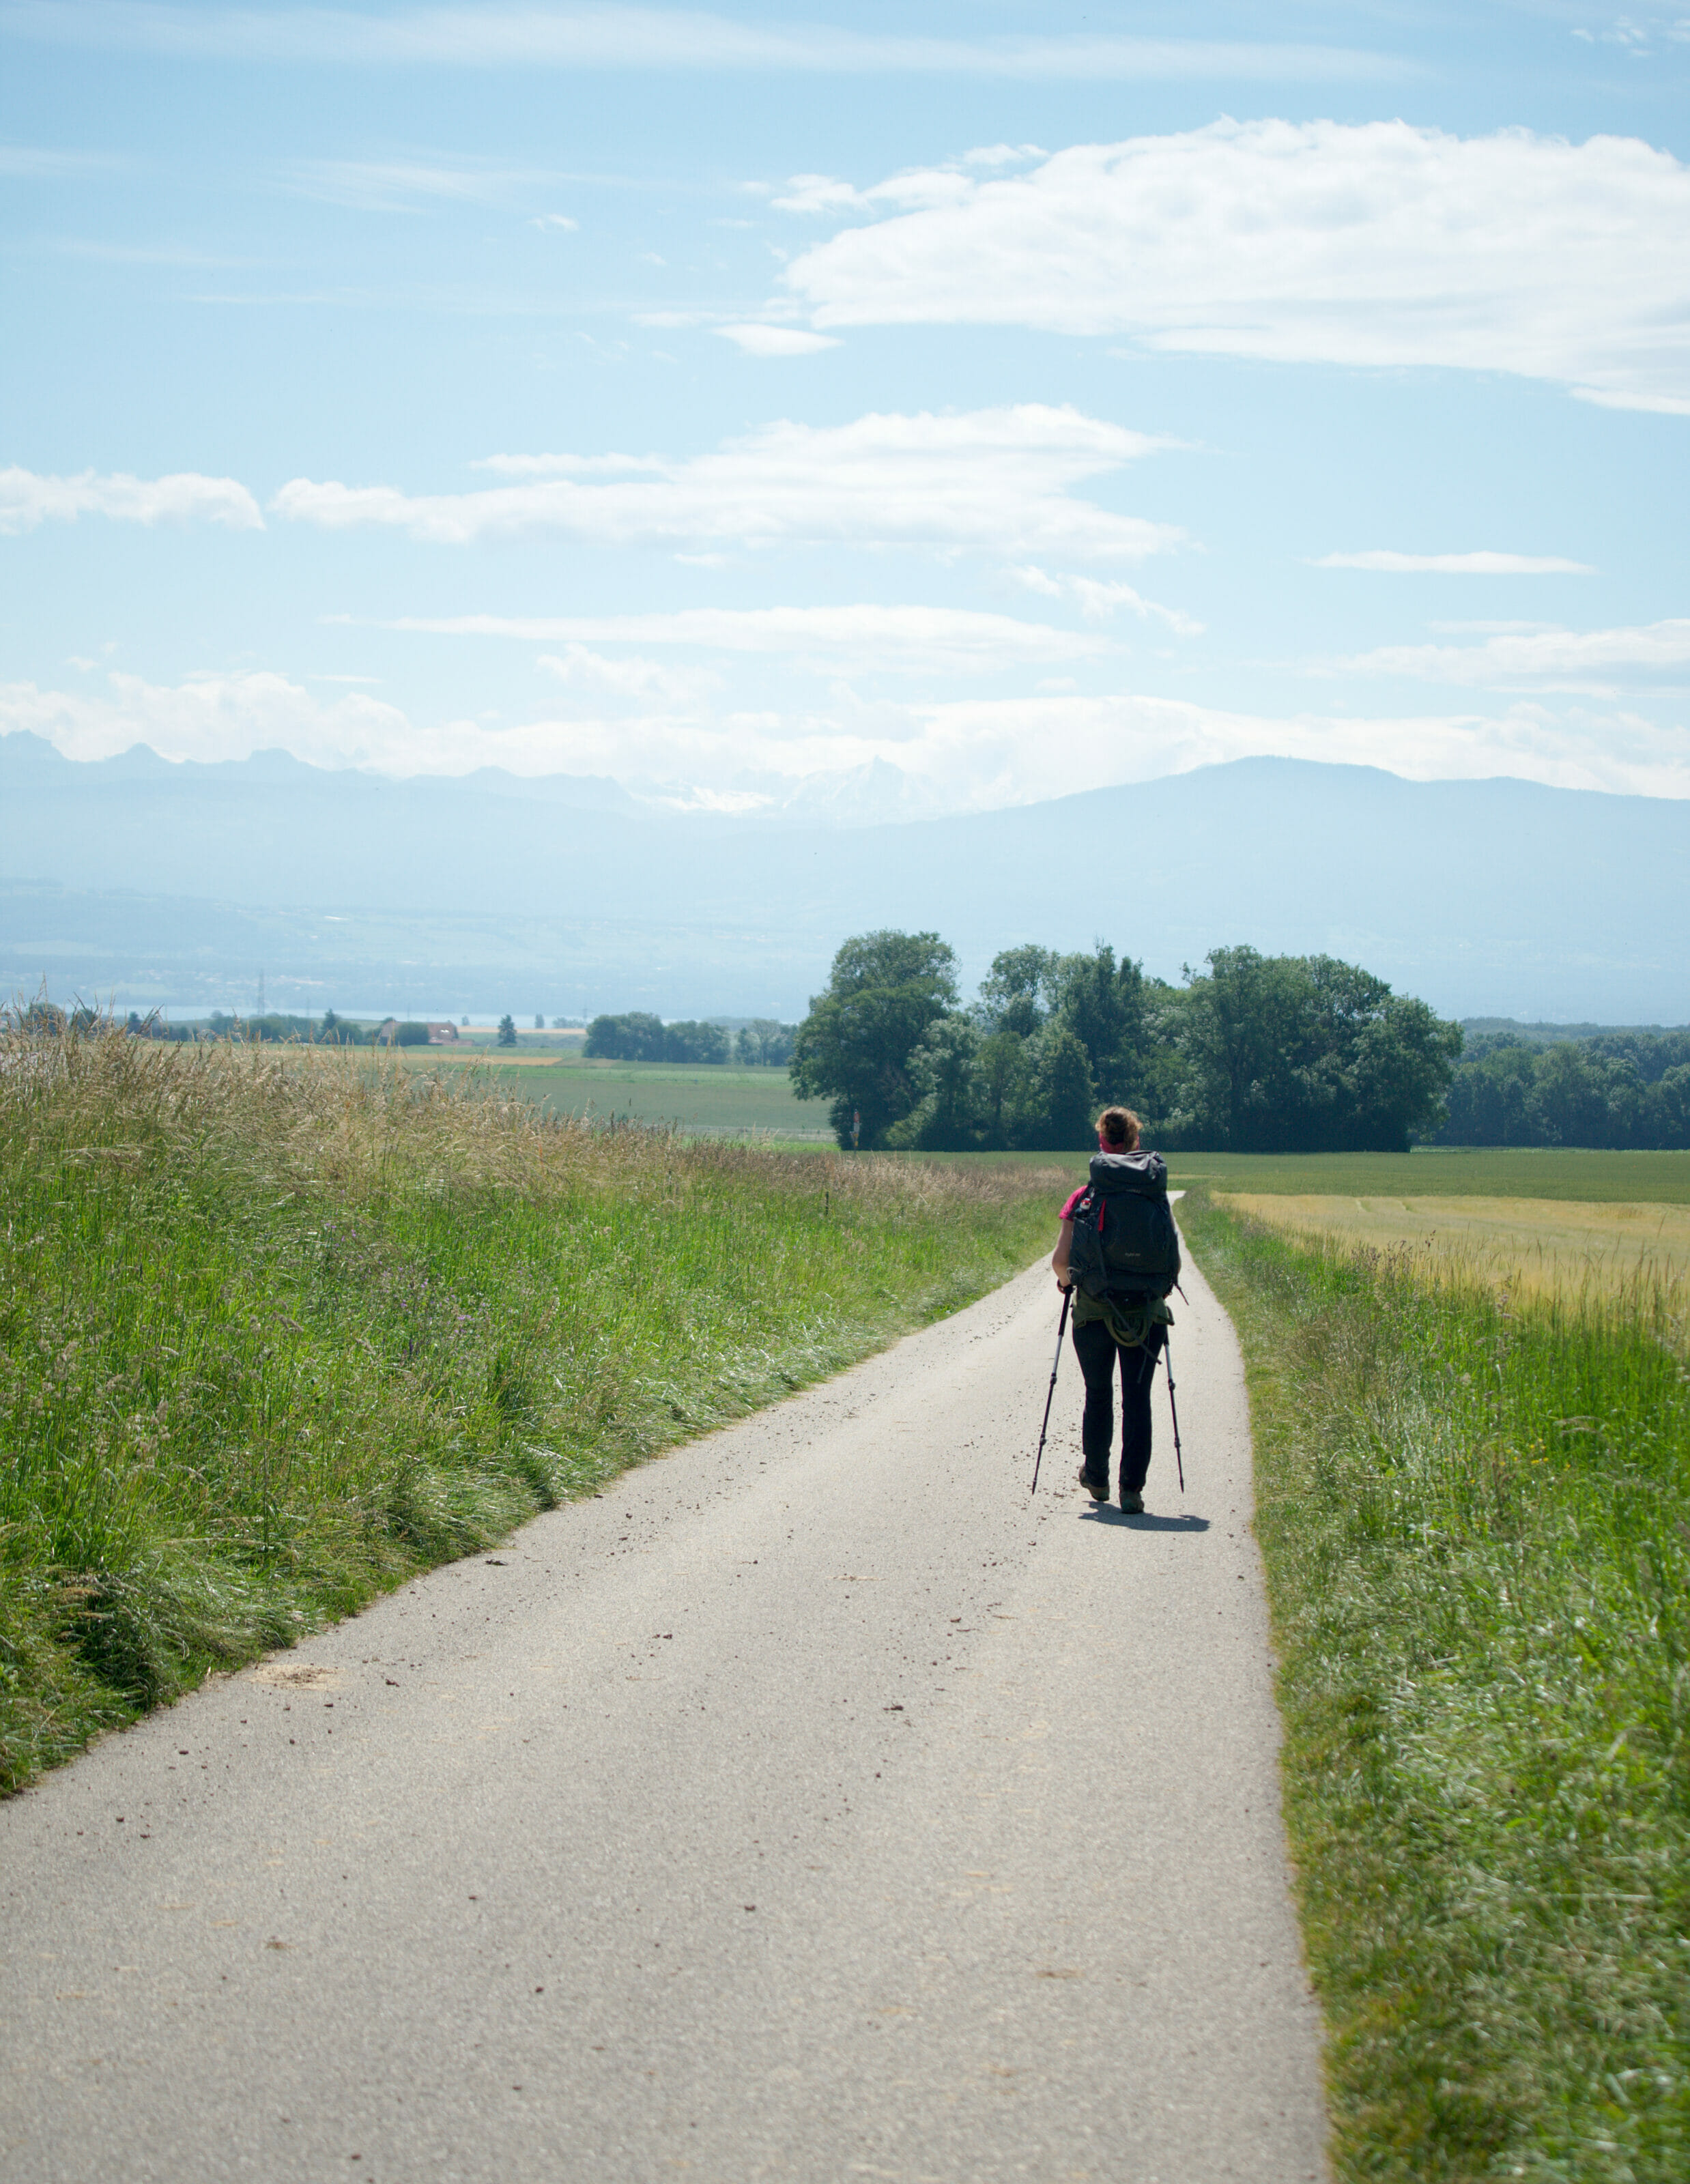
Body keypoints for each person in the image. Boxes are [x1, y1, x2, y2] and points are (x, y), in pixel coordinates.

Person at [1050, 1106, 1169, 1514]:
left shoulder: (1084, 1197)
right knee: (1138, 1399)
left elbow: (1060, 1262)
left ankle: (1097, 1477)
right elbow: (1171, 1260)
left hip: (1094, 1314)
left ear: (1103, 1144)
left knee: (1098, 1394)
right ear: (1135, 1144)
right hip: (1145, 1314)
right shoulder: (1154, 1194)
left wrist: (1068, 1282)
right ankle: (1131, 1489)